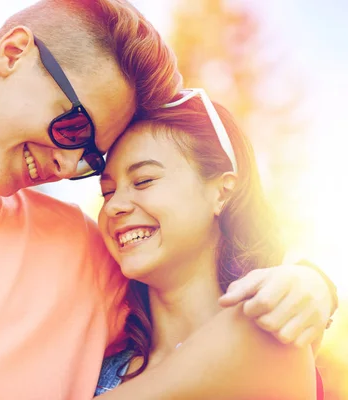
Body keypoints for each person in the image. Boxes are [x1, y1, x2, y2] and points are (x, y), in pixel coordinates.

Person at [0, 1, 335, 398]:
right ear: (14, 52)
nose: (69, 167)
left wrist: (312, 284)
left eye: (90, 158)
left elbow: (196, 283)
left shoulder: (83, 248)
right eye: (74, 127)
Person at [94, 89, 325, 399]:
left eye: (144, 180)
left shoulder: (266, 332)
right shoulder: (101, 368)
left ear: (222, 192)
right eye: (107, 192)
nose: (113, 207)